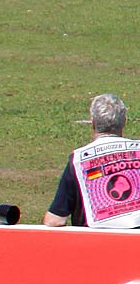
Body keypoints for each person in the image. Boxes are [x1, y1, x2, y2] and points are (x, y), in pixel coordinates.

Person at [44, 93, 140, 229]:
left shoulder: (78, 160)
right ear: (124, 120)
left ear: (92, 121)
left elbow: (55, 220)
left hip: (94, 243)